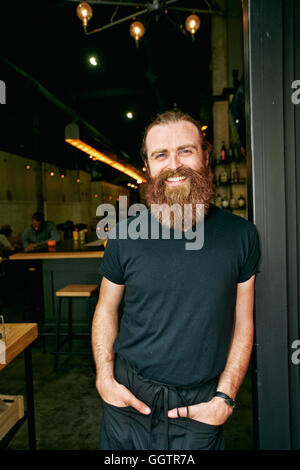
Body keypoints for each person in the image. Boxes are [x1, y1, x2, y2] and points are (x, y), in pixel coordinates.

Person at [92, 110, 261, 450]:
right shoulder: (125, 235)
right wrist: (105, 378)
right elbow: (106, 308)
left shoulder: (241, 236)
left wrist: (224, 398)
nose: (174, 165)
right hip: (127, 401)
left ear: (205, 157)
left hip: (198, 409)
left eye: (186, 150)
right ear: (148, 167)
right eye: (161, 155)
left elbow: (244, 320)